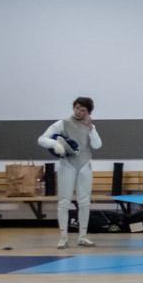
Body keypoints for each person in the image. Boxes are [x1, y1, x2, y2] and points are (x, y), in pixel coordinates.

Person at [39, 97, 102, 249]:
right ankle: (63, 238)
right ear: (74, 106)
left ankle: (82, 237)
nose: (79, 111)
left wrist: (91, 127)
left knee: (84, 202)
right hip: (67, 165)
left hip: (84, 165)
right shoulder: (62, 123)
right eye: (77, 108)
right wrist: (54, 144)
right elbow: (41, 139)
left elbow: (97, 145)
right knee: (64, 201)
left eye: (83, 110)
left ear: (88, 112)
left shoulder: (90, 126)